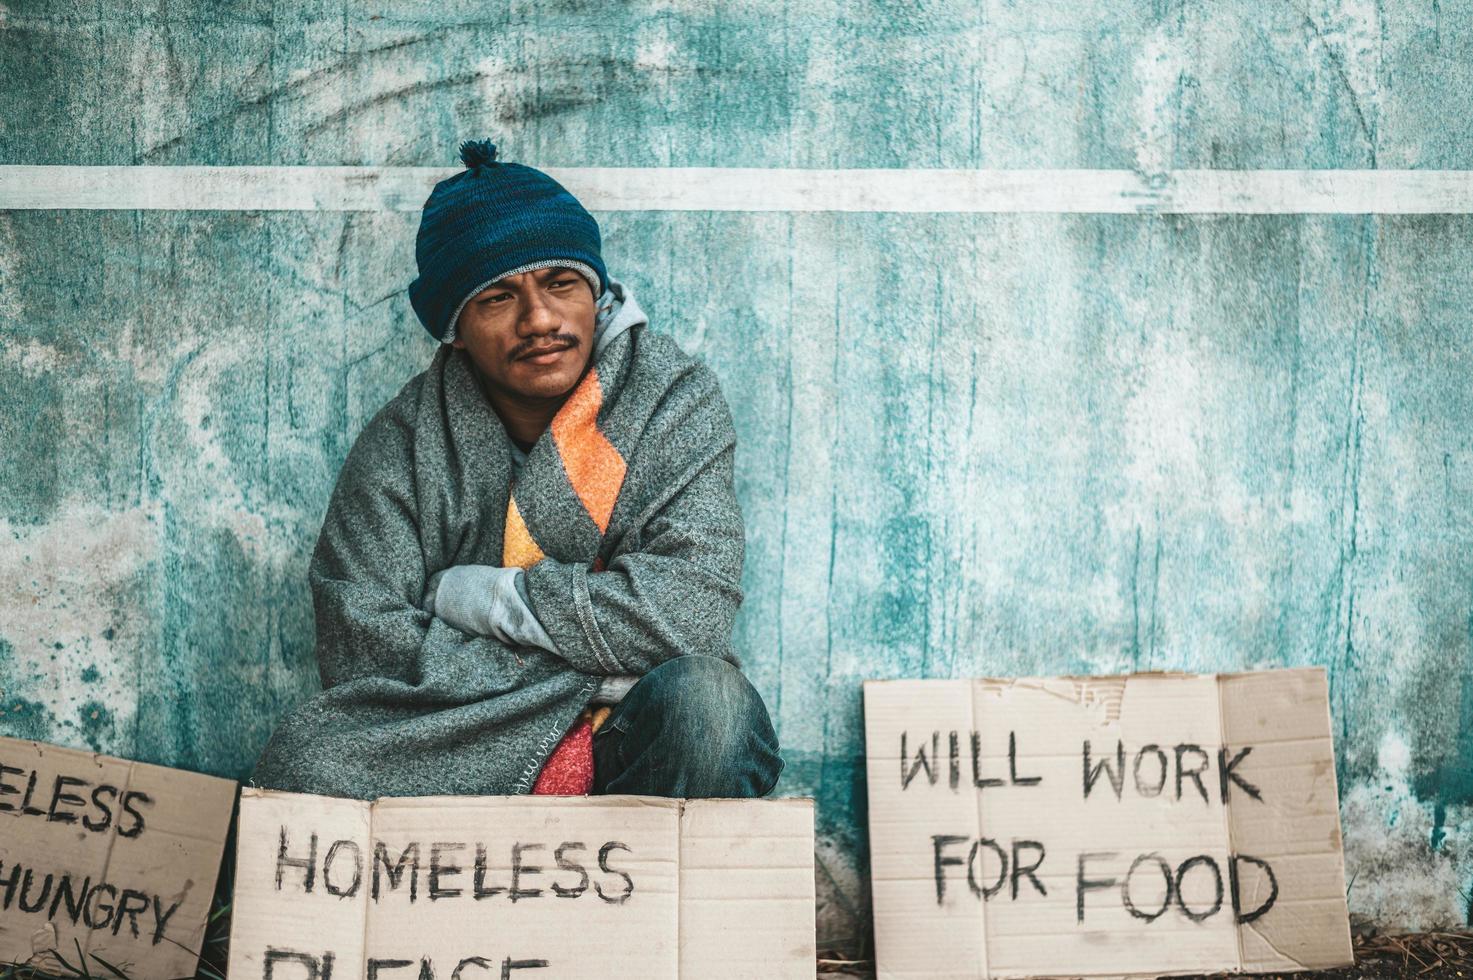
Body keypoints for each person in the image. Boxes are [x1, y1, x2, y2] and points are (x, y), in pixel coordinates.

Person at [250, 139, 782, 800]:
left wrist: (483, 599)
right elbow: (361, 643)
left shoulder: (671, 401)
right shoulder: (404, 441)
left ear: (599, 299)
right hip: (459, 738)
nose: (539, 319)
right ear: (454, 328)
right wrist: (592, 673)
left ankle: (654, 902)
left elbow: (689, 610)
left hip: (635, 731)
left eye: (561, 283)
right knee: (304, 762)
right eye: (497, 297)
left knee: (709, 709)